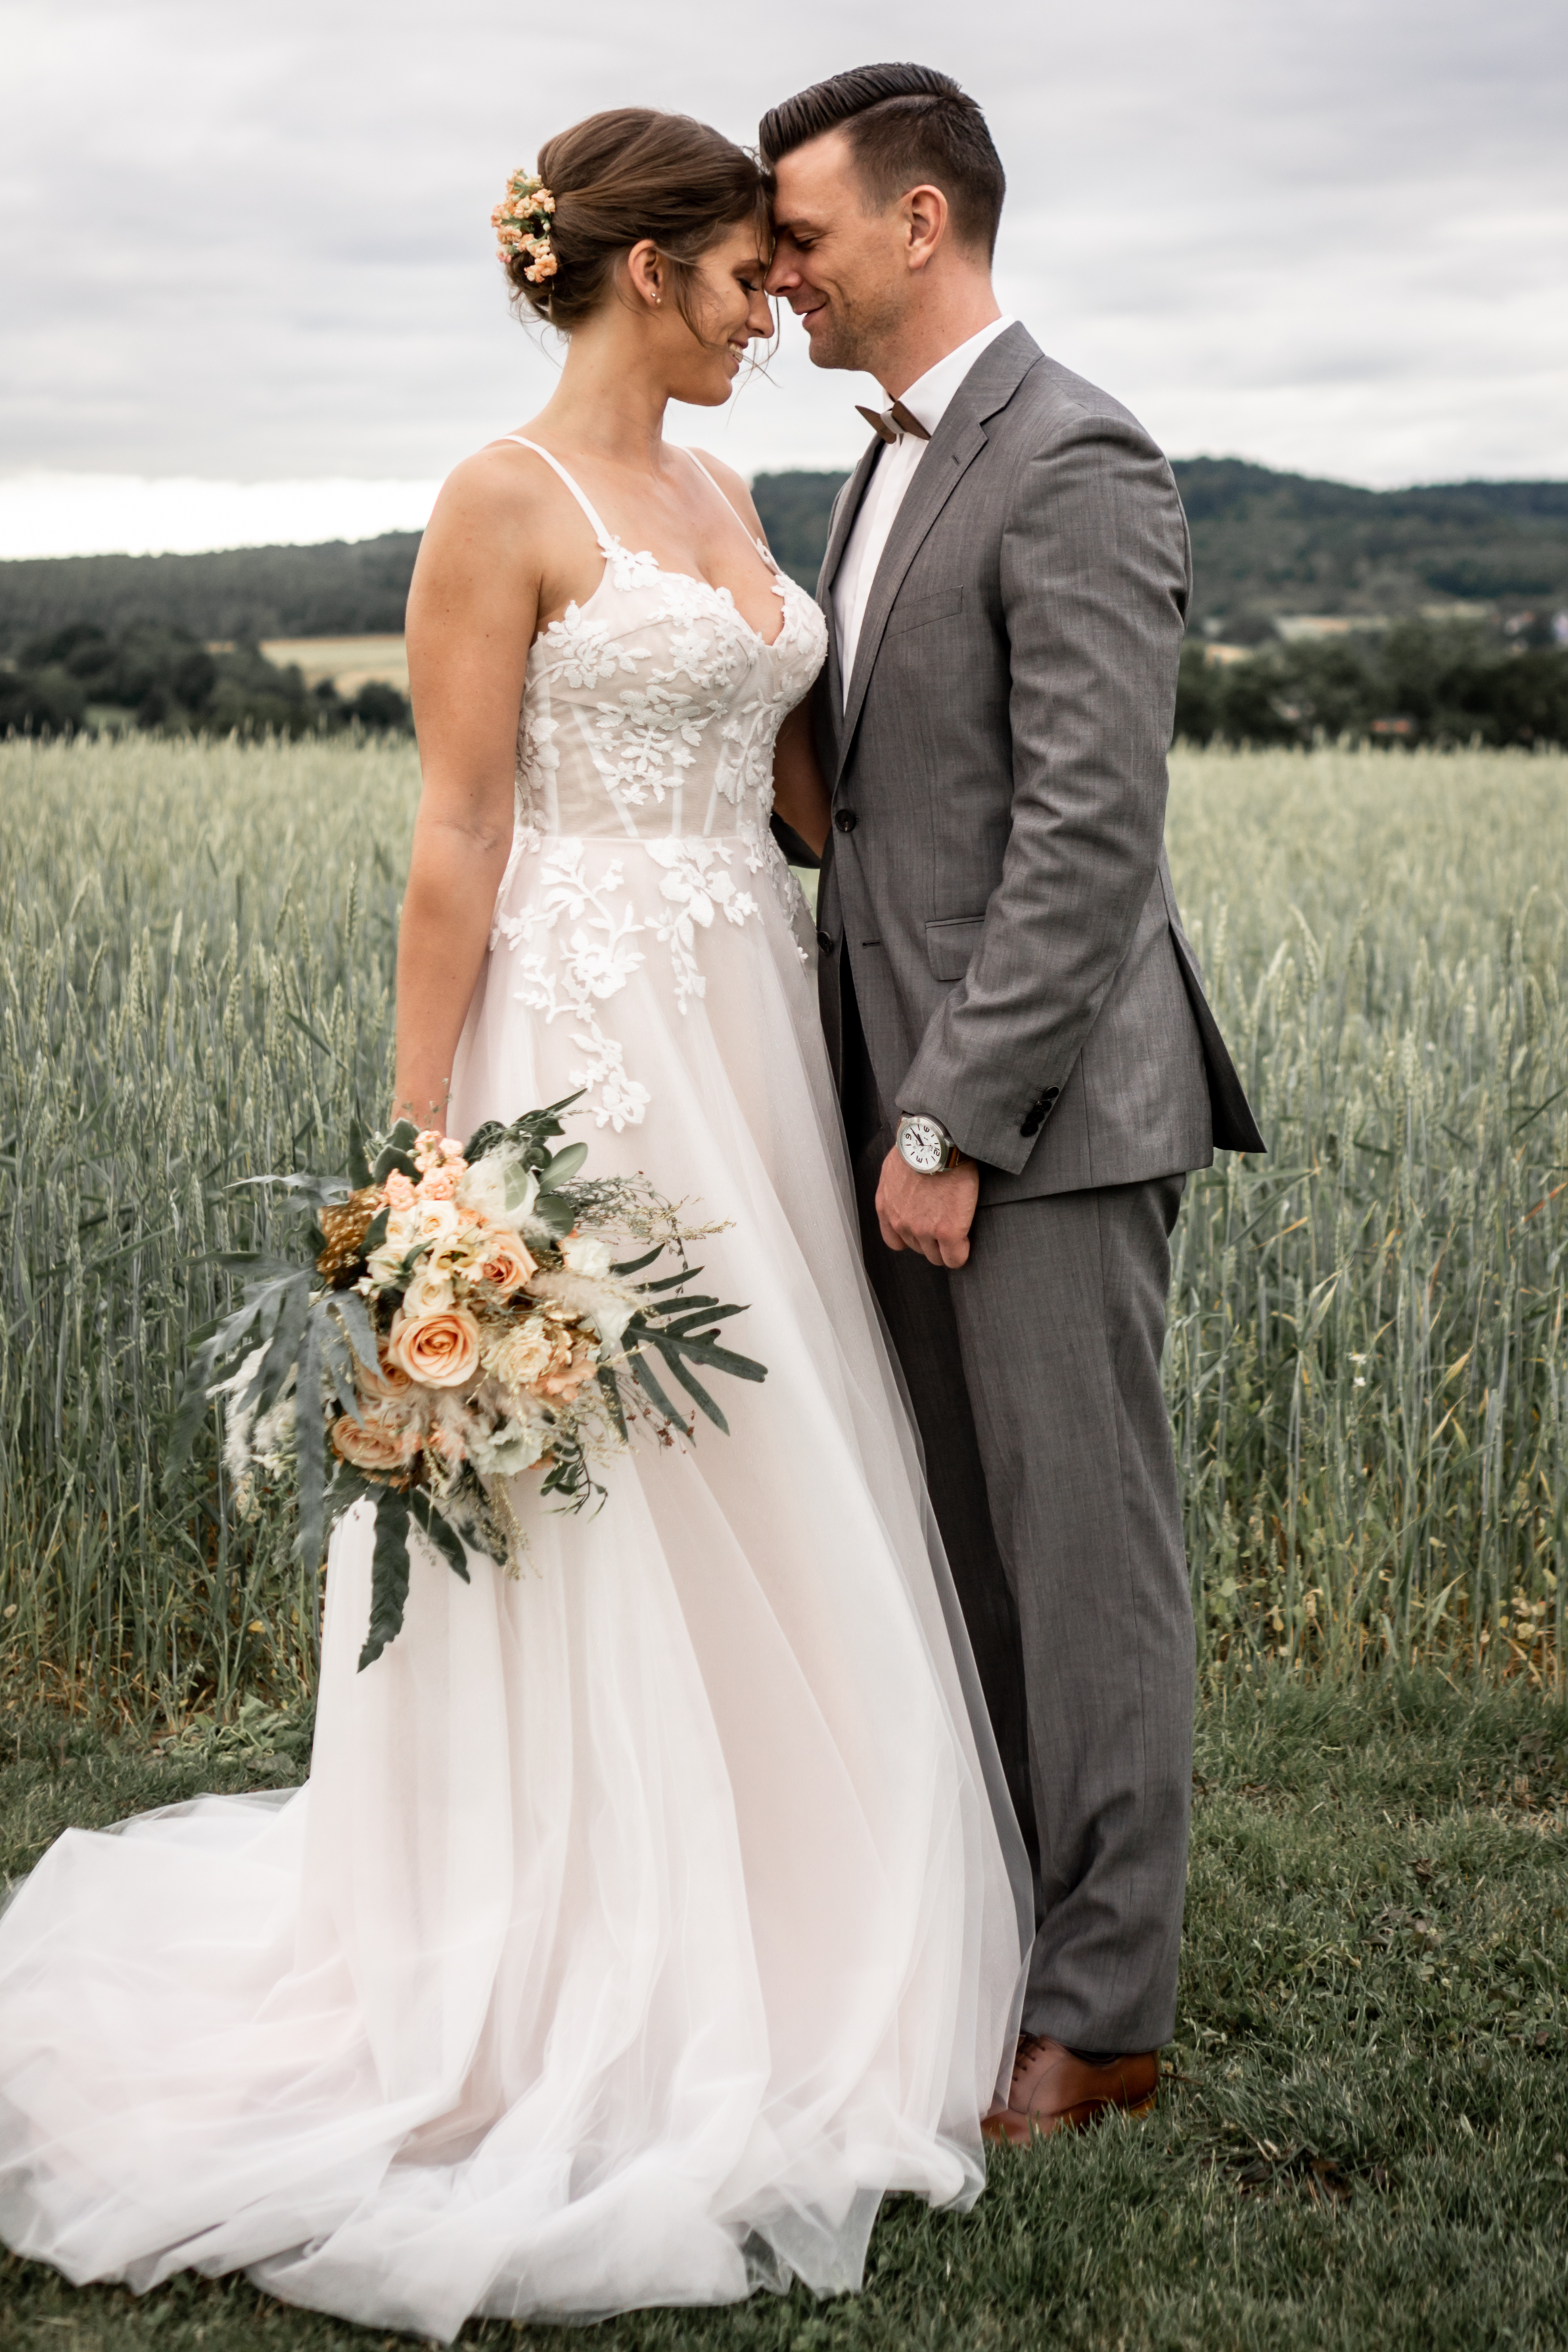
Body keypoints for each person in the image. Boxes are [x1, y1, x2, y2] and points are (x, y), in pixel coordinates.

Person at [0, 110, 1030, 2340]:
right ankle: (552, 1954)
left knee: (766, 1453)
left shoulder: (735, 496)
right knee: (592, 1479)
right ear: (650, 267)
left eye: (791, 271)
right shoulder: (502, 500)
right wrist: (416, 1165)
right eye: (750, 273)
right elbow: (459, 831)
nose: (780, 306)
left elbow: (799, 780)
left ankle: (783, 1899)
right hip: (576, 1034)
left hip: (745, 1019)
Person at [760, 64, 1264, 2148]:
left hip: (1039, 1117)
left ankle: (1109, 2020)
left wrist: (957, 1119)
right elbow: (879, 801)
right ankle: (1006, 1948)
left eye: (797, 231)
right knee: (962, 1554)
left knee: (1083, 1562)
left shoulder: (1076, 455)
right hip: (889, 1095)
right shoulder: (873, 471)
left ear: (918, 221)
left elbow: (1083, 840)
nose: (772, 269)